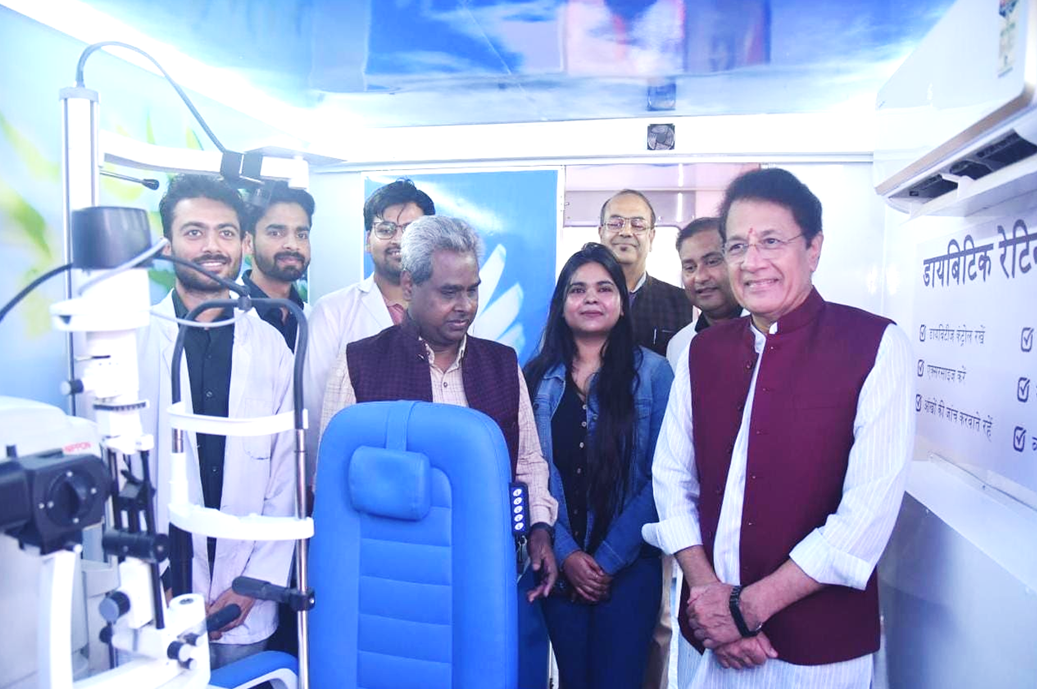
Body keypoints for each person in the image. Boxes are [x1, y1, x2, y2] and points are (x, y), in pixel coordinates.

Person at [642, 168, 914, 688]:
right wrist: (710, 598)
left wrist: (746, 609)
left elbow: (865, 517)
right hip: (710, 640)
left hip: (816, 652)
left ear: (813, 249)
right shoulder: (704, 351)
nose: (752, 262)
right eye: (737, 246)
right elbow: (672, 479)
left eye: (771, 241)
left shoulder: (874, 346)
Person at [319, 215, 559, 593]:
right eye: (449, 293)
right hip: (390, 572)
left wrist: (539, 528)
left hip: (484, 565)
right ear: (409, 285)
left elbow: (527, 460)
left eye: (472, 291)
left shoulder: (501, 364)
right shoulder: (358, 364)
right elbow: (332, 480)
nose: (465, 306)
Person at [138, 174, 296, 669]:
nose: (212, 246)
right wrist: (156, 582)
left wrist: (252, 585)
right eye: (194, 232)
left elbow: (285, 475)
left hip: (244, 598)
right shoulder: (137, 339)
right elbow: (121, 476)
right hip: (157, 590)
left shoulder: (270, 345)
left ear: (245, 244)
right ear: (167, 246)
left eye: (226, 232)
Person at [524, 243, 673, 689]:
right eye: (578, 289)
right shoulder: (534, 378)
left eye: (604, 288)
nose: (591, 298)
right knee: (574, 679)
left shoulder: (655, 374)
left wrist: (606, 561)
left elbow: (663, 477)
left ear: (623, 304)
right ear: (561, 305)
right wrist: (568, 554)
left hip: (631, 567)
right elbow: (530, 471)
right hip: (558, 565)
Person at [303, 179, 434, 486]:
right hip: (355, 477)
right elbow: (314, 408)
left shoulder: (451, 311)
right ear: (367, 239)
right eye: (386, 229)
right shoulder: (332, 311)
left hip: (436, 474)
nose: (399, 240)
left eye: (412, 230)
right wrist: (321, 487)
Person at [597, 189, 693, 357]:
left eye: (638, 225)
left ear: (651, 237)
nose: (626, 232)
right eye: (615, 223)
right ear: (601, 233)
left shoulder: (682, 302)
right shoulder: (579, 299)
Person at [665, 216, 746, 369]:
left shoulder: (768, 329)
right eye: (690, 267)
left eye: (712, 262)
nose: (700, 277)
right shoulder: (679, 345)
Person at [241, 184, 314, 352]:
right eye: (275, 233)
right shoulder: (228, 315)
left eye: (301, 235)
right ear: (248, 242)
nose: (292, 245)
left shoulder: (313, 317)